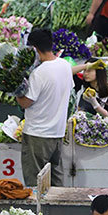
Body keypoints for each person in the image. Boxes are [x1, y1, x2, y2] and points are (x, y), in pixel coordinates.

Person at [17, 29, 74, 187]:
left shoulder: (39, 73)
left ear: (34, 49)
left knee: (36, 183)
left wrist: (16, 89)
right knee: (56, 183)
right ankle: (59, 211)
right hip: (57, 133)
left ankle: (38, 213)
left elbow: (25, 102)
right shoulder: (65, 65)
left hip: (38, 134)